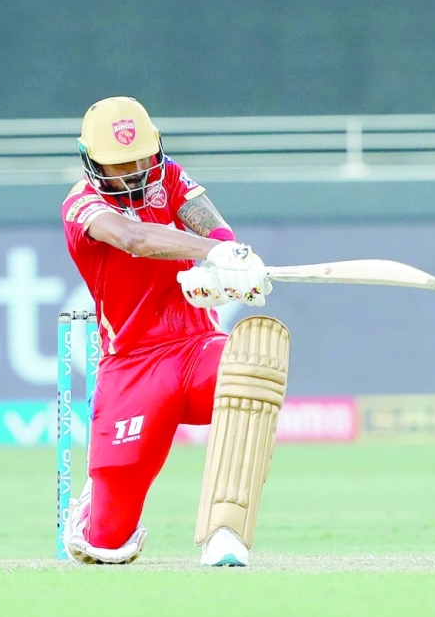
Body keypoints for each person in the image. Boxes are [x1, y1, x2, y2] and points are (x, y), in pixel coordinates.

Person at [59, 96, 282, 566]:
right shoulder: (82, 206)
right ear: (91, 161)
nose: (135, 173)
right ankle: (95, 508)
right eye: (119, 165)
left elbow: (217, 232)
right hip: (134, 364)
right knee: (107, 547)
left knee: (250, 365)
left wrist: (235, 264)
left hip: (198, 347)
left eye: (141, 158)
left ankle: (225, 532)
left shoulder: (172, 176)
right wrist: (212, 253)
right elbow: (133, 239)